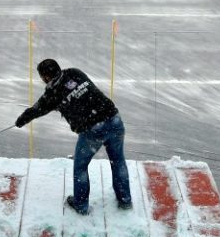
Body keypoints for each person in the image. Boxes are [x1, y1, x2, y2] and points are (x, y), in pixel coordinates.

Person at [15, 58, 132, 215]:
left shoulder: (52, 95)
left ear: (46, 77)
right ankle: (125, 201)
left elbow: (38, 109)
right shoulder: (74, 73)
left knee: (80, 167)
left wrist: (22, 120)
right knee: (118, 161)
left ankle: (81, 205)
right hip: (114, 119)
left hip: (93, 131)